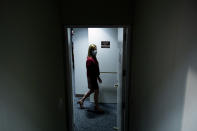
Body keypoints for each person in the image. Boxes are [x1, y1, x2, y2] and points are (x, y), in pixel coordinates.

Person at [77, 44, 103, 112]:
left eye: (96, 49)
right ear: (90, 50)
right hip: (92, 78)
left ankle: (81, 100)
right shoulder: (89, 60)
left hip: (94, 77)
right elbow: (90, 72)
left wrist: (98, 77)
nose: (95, 51)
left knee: (92, 91)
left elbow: (96, 69)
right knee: (96, 91)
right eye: (94, 49)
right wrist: (92, 81)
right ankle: (96, 107)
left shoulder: (94, 58)